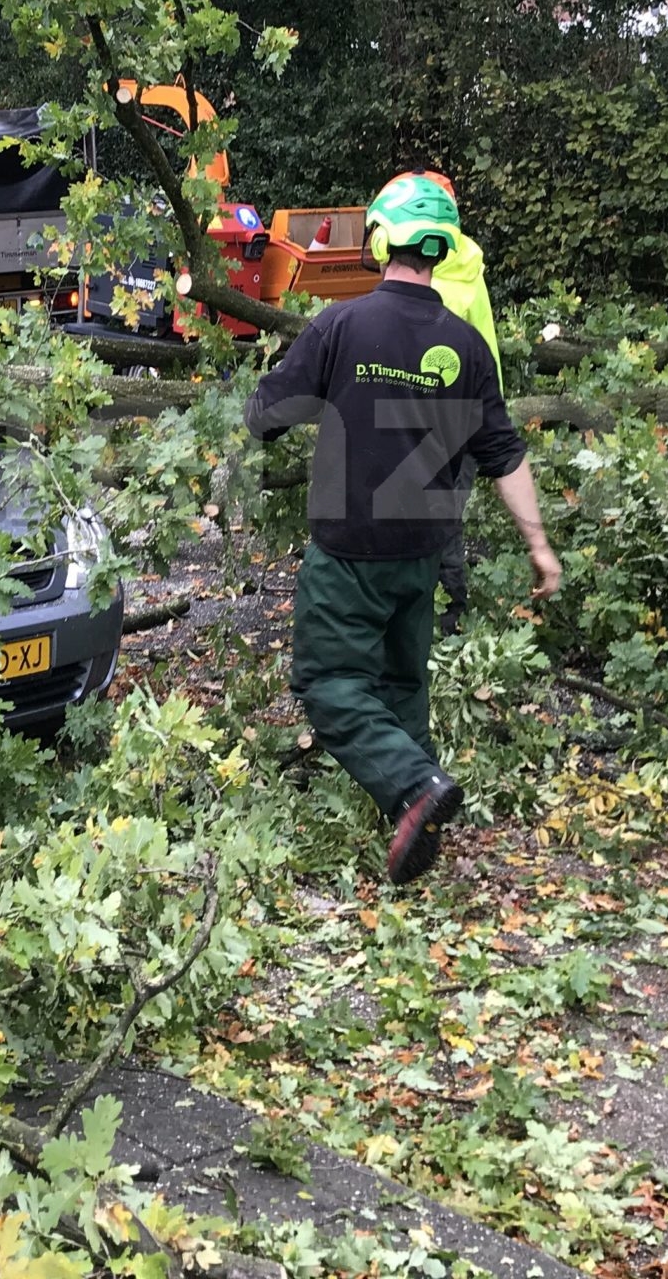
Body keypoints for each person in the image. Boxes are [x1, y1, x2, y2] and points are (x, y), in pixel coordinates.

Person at [250, 173, 562, 884]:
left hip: (348, 549)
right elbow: (504, 454)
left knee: (328, 683)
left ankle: (413, 789)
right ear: (442, 247)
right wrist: (539, 545)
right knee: (400, 685)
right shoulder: (467, 347)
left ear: (380, 237)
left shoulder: (339, 326)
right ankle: (414, 812)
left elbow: (267, 415)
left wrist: (277, 401)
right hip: (424, 548)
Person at [367, 170, 497, 633]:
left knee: (438, 522)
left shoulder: (424, 278)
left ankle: (448, 616)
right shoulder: (464, 268)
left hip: (449, 419)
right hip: (449, 415)